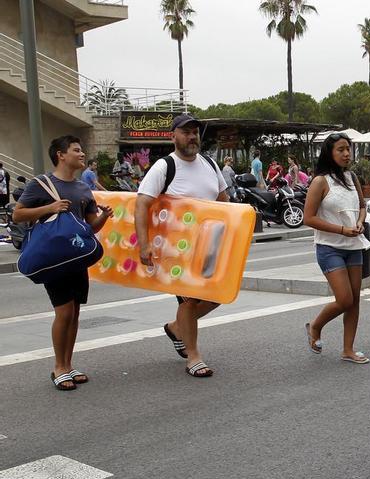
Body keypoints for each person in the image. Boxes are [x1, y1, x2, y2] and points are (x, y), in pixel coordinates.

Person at [13, 135, 112, 390]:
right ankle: (58, 366)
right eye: (76, 150)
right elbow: (18, 213)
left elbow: (90, 227)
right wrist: (50, 208)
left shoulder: (82, 188)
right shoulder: (41, 184)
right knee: (64, 312)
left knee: (75, 312)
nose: (82, 154)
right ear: (61, 154)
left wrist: (104, 216)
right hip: (55, 259)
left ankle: (68, 365)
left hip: (77, 258)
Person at [135, 114, 229, 378]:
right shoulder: (165, 166)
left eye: (195, 132)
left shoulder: (210, 163)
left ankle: (177, 328)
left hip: (210, 245)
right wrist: (144, 245)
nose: (192, 137)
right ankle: (194, 356)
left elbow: (224, 201)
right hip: (177, 249)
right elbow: (142, 203)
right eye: (186, 132)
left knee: (218, 295)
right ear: (172, 135)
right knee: (188, 299)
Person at [303, 133, 370, 364]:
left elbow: (362, 206)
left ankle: (348, 350)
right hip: (329, 247)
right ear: (329, 153)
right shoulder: (320, 181)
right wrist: (341, 230)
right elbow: (308, 218)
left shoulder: (351, 177)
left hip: (354, 246)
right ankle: (315, 326)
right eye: (341, 149)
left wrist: (361, 221)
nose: (346, 153)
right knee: (344, 299)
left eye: (348, 149)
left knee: (355, 300)